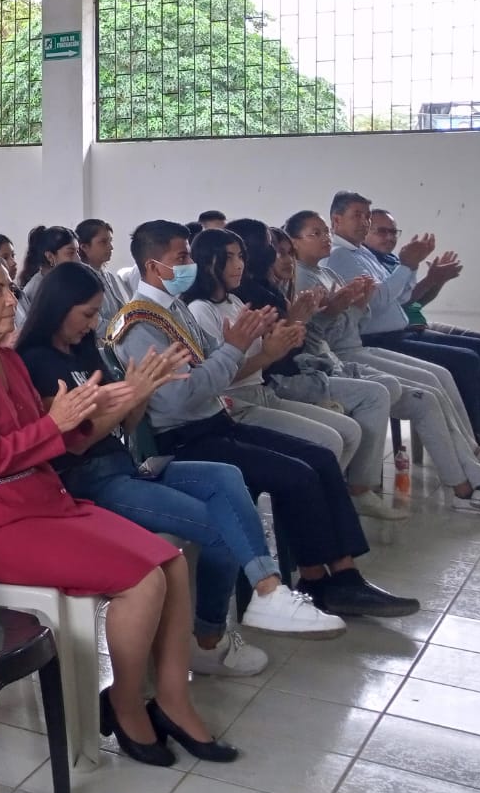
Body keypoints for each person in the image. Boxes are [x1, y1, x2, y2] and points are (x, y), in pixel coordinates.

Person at [0, 252, 236, 765]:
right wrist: (55, 423)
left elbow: (58, 441)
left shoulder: (7, 359)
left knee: (171, 563)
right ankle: (124, 704)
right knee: (143, 581)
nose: (10, 299)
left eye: (10, 288)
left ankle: (173, 700)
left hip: (45, 503)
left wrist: (108, 403)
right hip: (0, 526)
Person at [17, 262, 346, 673]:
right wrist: (128, 395)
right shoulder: (36, 361)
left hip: (123, 465)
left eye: (97, 312)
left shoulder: (84, 351)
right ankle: (209, 638)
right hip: (88, 480)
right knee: (217, 525)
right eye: (87, 313)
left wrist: (141, 394)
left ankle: (266, 590)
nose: (93, 323)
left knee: (225, 476)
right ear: (58, 307)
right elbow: (75, 441)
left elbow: (126, 427)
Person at [106, 220, 418, 619]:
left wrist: (251, 344)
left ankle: (345, 576)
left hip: (214, 422)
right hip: (182, 438)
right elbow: (177, 397)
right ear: (153, 265)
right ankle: (317, 580)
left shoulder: (173, 307)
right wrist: (233, 348)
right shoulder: (140, 324)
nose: (189, 264)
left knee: (320, 458)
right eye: (181, 257)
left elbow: (212, 364)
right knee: (296, 475)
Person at [287, 211, 480, 509]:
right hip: (340, 357)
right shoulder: (309, 274)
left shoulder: (331, 272)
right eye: (316, 233)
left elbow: (358, 321)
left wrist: (356, 306)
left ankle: (473, 467)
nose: (325, 238)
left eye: (325, 231)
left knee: (435, 381)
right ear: (294, 242)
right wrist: (340, 309)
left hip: (353, 349)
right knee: (429, 390)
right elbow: (317, 338)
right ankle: (468, 483)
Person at [186, 228, 401, 521]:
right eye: (229, 258)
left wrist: (284, 335)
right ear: (208, 262)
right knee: (330, 440)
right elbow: (220, 378)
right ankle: (310, 514)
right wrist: (269, 353)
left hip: (262, 392)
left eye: (240, 256)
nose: (238, 265)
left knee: (349, 432)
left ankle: (319, 506)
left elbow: (261, 356)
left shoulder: (234, 302)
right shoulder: (200, 310)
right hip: (235, 403)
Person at [327, 191, 480, 443]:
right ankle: (473, 437)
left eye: (367, 216)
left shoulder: (363, 253)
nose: (364, 222)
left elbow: (403, 298)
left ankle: (478, 427)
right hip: (376, 339)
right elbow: (377, 302)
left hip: (400, 331)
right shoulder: (339, 255)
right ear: (336, 220)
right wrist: (407, 265)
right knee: (466, 360)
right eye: (357, 215)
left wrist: (412, 266)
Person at [365, 208, 480, 427]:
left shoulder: (393, 260)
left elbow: (417, 303)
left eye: (393, 232)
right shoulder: (370, 263)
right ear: (365, 231)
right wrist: (428, 278)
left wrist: (438, 281)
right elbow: (401, 304)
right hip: (400, 329)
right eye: (382, 231)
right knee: (468, 356)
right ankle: (471, 426)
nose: (389, 237)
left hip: (413, 322)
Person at [76, 219, 134, 335]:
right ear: (84, 247)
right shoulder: (80, 279)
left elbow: (122, 310)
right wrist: (122, 331)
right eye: (103, 242)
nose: (110, 247)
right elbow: (94, 323)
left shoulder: (109, 276)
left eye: (110, 241)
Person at [15, 226, 79, 329]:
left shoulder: (61, 282)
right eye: (70, 253)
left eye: (77, 252)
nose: (78, 259)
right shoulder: (38, 289)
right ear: (50, 256)